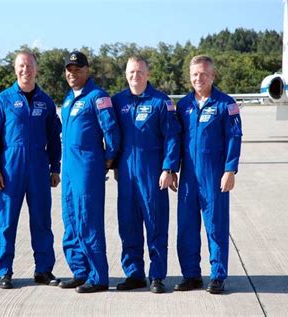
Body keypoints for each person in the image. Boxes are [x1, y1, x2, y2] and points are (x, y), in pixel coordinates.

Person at [0, 51, 62, 289]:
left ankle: (43, 270)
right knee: (6, 221)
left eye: (29, 65)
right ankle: (3, 271)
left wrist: (55, 167)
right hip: (10, 169)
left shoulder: (46, 102)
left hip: (39, 168)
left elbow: (54, 137)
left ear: (36, 69)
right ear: (15, 69)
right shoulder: (4, 100)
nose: (25, 70)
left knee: (41, 221)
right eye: (21, 66)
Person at [112, 56, 182, 293]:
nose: (135, 76)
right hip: (126, 175)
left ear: (148, 74)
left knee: (156, 224)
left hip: (153, 174)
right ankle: (134, 274)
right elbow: (110, 135)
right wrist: (111, 165)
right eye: (131, 72)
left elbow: (172, 136)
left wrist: (169, 168)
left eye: (140, 72)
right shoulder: (117, 101)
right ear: (126, 74)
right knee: (128, 225)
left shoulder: (161, 102)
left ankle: (157, 276)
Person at [175, 55, 242, 294]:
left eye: (203, 74)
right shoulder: (183, 106)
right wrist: (171, 168)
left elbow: (234, 137)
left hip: (214, 176)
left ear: (213, 75)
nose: (198, 78)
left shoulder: (226, 104)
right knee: (186, 227)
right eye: (194, 74)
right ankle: (191, 275)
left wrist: (230, 169)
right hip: (188, 177)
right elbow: (175, 140)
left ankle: (217, 275)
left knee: (215, 225)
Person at [59, 51, 120, 293]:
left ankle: (98, 277)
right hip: (70, 171)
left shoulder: (97, 97)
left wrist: (107, 160)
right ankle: (80, 271)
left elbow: (112, 132)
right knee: (71, 221)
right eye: (68, 69)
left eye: (77, 69)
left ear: (87, 70)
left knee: (88, 221)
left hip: (87, 169)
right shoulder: (67, 99)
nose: (72, 73)